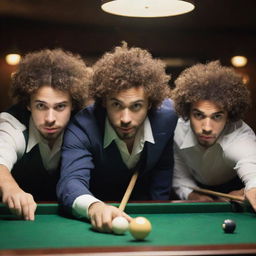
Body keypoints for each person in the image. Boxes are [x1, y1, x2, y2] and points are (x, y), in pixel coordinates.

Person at [57, 42, 177, 233]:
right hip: (98, 203)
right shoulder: (83, 126)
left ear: (150, 104)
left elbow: (163, 167)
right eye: (117, 105)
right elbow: (71, 181)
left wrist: (159, 209)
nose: (126, 119)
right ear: (104, 101)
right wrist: (94, 207)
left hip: (143, 206)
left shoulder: (167, 118)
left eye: (136, 106)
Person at [0, 48, 91, 220]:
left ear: (73, 105)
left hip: (68, 221)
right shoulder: (13, 124)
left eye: (60, 106)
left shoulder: (82, 129)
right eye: (41, 106)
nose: (50, 118)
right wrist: (10, 187)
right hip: (15, 221)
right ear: (28, 104)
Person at [171, 60, 256, 211]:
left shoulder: (240, 137)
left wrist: (248, 190)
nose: (207, 128)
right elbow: (180, 178)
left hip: (236, 186)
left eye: (217, 116)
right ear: (187, 113)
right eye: (198, 115)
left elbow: (253, 174)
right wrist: (192, 195)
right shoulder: (178, 129)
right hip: (198, 187)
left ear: (228, 117)